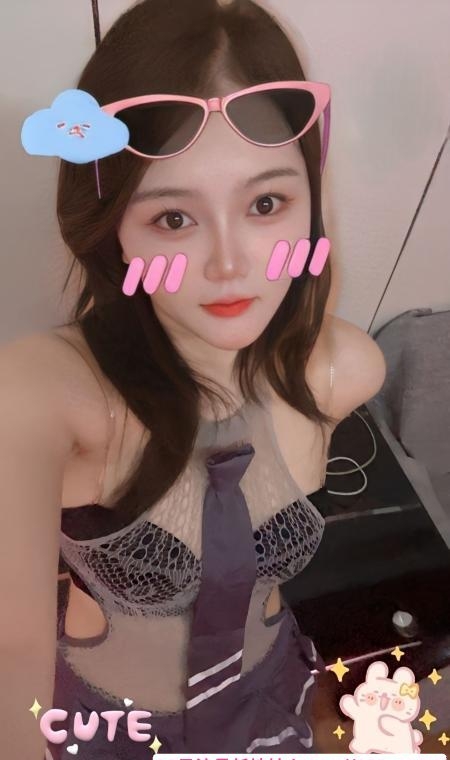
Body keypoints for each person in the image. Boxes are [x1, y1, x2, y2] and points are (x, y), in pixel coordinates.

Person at [1, 0, 386, 757]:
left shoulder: (345, 370)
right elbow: (10, 651)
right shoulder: (42, 396)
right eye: (174, 218)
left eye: (267, 203)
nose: (229, 265)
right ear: (114, 229)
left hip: (267, 696)